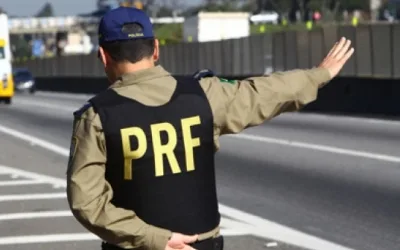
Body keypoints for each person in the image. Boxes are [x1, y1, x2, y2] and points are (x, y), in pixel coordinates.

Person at [66, 6, 354, 250]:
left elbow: (87, 204)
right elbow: (264, 92)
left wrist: (157, 240)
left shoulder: (97, 117)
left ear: (103, 56)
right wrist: (319, 75)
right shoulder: (203, 94)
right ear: (155, 49)